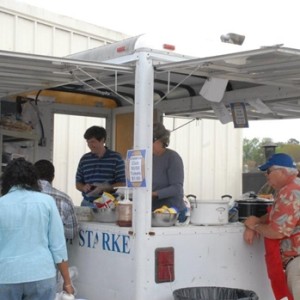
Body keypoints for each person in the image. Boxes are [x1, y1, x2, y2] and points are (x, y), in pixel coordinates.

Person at [0, 158, 74, 300]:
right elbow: (58, 246)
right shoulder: (46, 202)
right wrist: (67, 281)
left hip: (6, 276)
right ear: (33, 179)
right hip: (41, 275)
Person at [243, 153, 300, 300]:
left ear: (281, 171)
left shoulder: (289, 192)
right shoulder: (294, 187)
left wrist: (254, 225)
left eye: (268, 172)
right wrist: (256, 221)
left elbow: (276, 232)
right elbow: (276, 216)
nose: (266, 177)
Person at [76, 125, 126, 207]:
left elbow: (122, 183)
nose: (90, 145)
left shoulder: (116, 158)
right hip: (87, 203)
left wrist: (105, 187)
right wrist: (84, 187)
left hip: (108, 204)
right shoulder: (84, 159)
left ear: (102, 140)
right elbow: (78, 183)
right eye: (87, 142)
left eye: (92, 142)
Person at [34, 159, 79, 240]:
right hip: (54, 250)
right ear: (53, 177)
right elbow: (72, 233)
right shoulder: (65, 199)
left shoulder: (23, 197)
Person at [152, 122, 186, 222]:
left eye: (150, 141)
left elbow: (177, 188)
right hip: (155, 212)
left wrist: (154, 194)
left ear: (160, 141)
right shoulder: (148, 158)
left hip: (173, 213)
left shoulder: (173, 158)